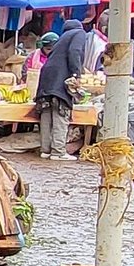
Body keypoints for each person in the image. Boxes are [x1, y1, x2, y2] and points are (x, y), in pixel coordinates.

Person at [34, 18, 87, 161]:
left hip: (46, 77)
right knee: (60, 113)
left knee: (46, 113)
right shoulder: (79, 33)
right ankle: (58, 152)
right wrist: (76, 74)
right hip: (60, 79)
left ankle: (45, 150)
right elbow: (74, 52)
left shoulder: (62, 38)